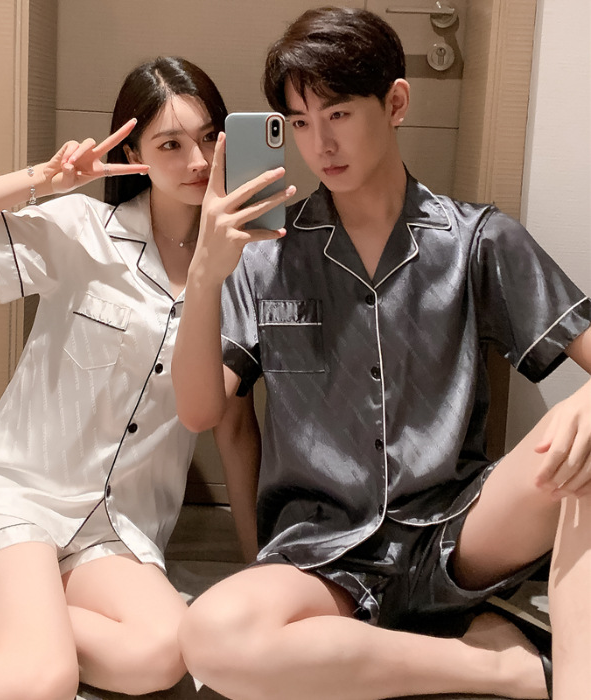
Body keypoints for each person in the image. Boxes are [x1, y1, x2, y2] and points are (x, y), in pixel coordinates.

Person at [171, 7, 591, 700]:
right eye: (300, 123)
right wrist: (204, 278)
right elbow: (197, 412)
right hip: (323, 554)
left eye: (337, 113)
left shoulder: (478, 241)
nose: (320, 143)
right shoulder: (265, 259)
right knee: (211, 638)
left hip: (462, 530)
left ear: (395, 103)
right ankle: (505, 667)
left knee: (584, 438)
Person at [0, 56, 266, 700]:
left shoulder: (245, 266)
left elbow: (230, 423)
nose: (199, 161)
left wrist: (257, 564)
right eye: (170, 145)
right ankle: (17, 617)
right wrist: (45, 179)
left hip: (118, 530)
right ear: (135, 155)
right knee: (42, 679)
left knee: (160, 657)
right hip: (22, 499)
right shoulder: (83, 232)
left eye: (210, 137)